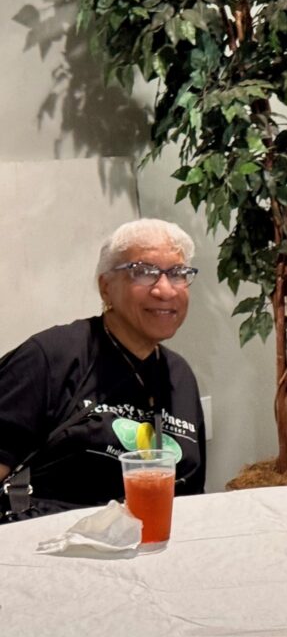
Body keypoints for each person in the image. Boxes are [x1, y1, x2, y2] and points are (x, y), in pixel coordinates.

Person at [0, 219, 206, 520]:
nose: (165, 290)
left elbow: (192, 496)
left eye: (178, 274)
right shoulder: (52, 357)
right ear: (106, 287)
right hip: (50, 549)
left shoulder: (179, 375)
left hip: (156, 549)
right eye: (144, 272)